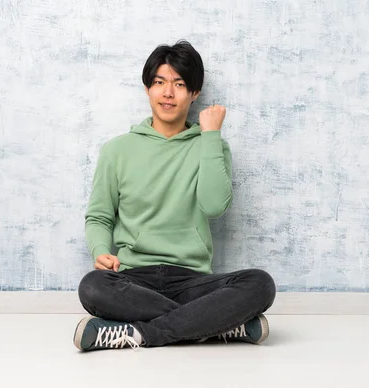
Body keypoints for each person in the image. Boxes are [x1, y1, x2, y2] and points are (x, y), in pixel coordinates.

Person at [73, 40, 276, 351]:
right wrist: (100, 249)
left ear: (194, 93)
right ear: (147, 89)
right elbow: (99, 216)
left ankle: (141, 334)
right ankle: (217, 327)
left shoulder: (212, 146)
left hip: (193, 280)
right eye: (159, 83)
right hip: (134, 280)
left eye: (179, 84)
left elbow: (213, 205)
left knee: (260, 284)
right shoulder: (117, 150)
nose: (168, 93)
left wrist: (210, 135)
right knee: (92, 287)